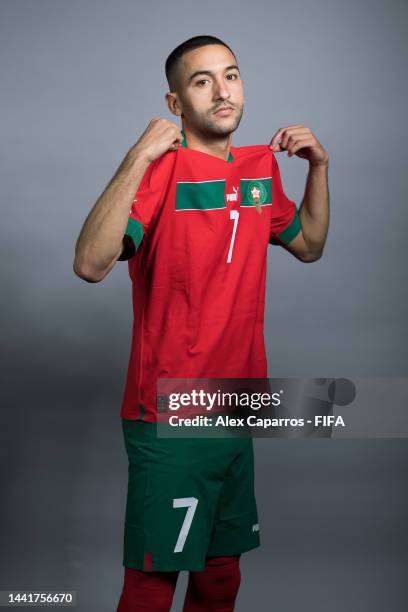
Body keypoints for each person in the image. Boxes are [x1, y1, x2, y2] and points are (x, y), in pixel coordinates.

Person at [73, 34, 329, 612]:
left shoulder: (259, 168)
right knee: (153, 583)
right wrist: (138, 156)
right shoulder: (161, 172)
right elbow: (90, 264)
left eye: (231, 75)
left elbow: (310, 244)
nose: (222, 91)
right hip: (169, 407)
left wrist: (320, 166)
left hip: (237, 403)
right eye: (202, 80)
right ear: (175, 104)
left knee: (220, 575)